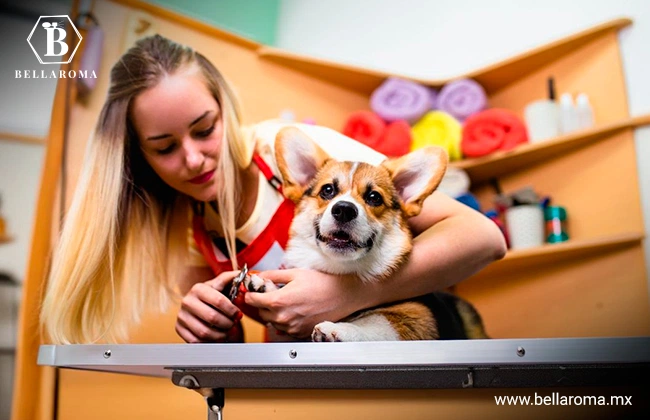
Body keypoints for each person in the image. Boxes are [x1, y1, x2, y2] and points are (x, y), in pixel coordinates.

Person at [41, 35, 507, 344]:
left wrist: (345, 297)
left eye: (205, 129)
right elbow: (231, 358)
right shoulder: (184, 222)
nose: (194, 159)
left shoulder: (303, 157)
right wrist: (209, 328)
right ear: (140, 156)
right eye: (164, 148)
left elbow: (484, 238)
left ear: (226, 108)